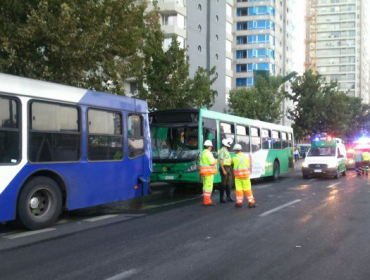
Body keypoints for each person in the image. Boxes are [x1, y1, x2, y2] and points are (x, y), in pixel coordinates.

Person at [232, 144, 257, 208]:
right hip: (246, 176)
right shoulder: (246, 157)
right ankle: (251, 202)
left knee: (239, 190)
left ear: (236, 151)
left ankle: (239, 202)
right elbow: (250, 164)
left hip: (238, 177)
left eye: (234, 150)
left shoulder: (234, 158)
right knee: (248, 189)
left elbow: (230, 163)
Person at [199, 140, 218, 206]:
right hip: (208, 173)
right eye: (211, 146)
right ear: (209, 147)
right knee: (208, 187)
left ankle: (206, 199)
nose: (211, 148)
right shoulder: (208, 153)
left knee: (205, 186)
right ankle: (207, 201)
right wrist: (216, 160)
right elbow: (212, 162)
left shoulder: (202, 153)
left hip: (204, 172)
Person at [218, 139, 235, 203]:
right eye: (228, 143)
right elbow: (220, 160)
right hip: (225, 168)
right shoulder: (222, 150)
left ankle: (228, 197)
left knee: (228, 183)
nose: (229, 144)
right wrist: (223, 170)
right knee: (223, 184)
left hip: (228, 167)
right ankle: (222, 198)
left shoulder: (226, 151)